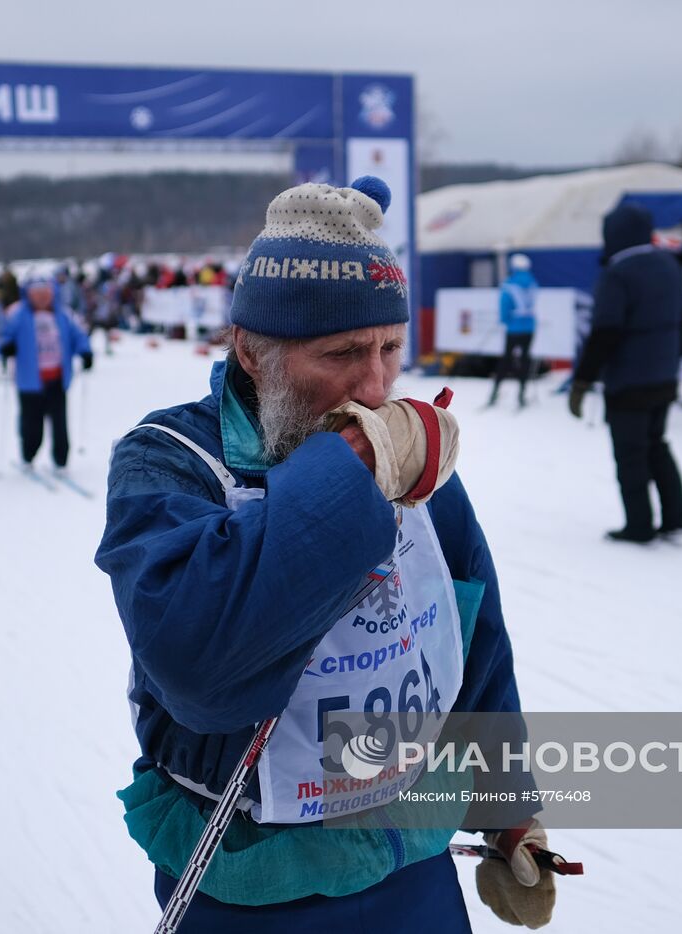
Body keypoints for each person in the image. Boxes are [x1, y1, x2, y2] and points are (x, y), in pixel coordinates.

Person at [95, 177, 553, 932]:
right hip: (254, 879)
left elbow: (468, 633)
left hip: (410, 856)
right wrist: (352, 472)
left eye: (389, 350)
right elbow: (202, 670)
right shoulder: (170, 460)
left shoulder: (409, 452)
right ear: (251, 348)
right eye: (342, 353)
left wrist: (507, 806)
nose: (374, 388)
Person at [568, 203, 682, 543]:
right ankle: (676, 516)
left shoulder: (618, 273)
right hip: (664, 374)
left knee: (630, 452)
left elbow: (606, 331)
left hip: (629, 379)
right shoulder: (670, 265)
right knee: (657, 444)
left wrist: (583, 379)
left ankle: (639, 525)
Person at [0, 277, 93, 471]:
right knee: (32, 424)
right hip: (30, 381)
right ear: (29, 295)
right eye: (36, 294)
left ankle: (61, 460)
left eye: (45, 293)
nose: (41, 298)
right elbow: (1, 335)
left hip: (57, 379)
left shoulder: (62, 315)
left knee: (59, 424)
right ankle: (28, 456)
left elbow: (78, 335)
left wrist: (85, 351)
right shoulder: (18, 315)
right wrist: (5, 347)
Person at [487, 253, 539, 409]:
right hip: (529, 328)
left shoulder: (509, 283)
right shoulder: (532, 282)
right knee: (525, 359)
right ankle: (521, 394)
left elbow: (504, 304)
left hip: (513, 328)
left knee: (507, 358)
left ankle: (495, 392)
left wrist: (504, 319)